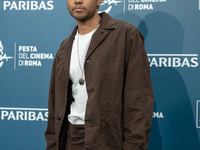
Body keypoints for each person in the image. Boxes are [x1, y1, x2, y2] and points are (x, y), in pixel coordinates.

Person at [45, 0, 154, 149]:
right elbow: (55, 103)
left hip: (109, 139)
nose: (77, 0)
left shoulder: (126, 35)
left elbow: (138, 100)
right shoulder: (65, 47)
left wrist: (134, 145)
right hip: (72, 138)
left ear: (99, 1)